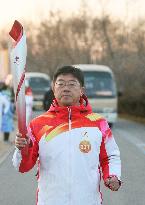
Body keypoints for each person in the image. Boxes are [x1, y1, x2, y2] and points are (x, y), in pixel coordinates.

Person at [12, 66, 121, 205]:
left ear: (82, 90)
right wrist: (22, 148)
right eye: (61, 83)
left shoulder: (99, 123)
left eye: (72, 84)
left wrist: (113, 176)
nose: (66, 88)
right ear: (53, 88)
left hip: (88, 201)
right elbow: (23, 167)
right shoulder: (37, 124)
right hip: (50, 201)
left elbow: (110, 156)